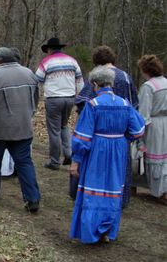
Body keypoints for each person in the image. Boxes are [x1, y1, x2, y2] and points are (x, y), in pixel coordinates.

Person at [69, 66, 144, 244]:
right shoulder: (125, 104)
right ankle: (106, 231)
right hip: (118, 150)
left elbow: (83, 137)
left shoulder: (94, 104)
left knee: (94, 188)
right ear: (110, 83)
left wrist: (76, 161)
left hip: (97, 150)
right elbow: (139, 130)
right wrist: (121, 137)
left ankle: (91, 231)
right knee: (112, 188)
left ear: (95, 84)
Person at [74, 46, 139, 208]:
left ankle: (94, 201)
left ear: (96, 61)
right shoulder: (125, 76)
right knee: (119, 168)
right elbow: (134, 105)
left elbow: (84, 104)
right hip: (121, 135)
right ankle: (120, 199)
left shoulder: (97, 76)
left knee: (96, 170)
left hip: (98, 134)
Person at [0, 47, 41, 212]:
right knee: (24, 162)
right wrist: (29, 114)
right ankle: (32, 198)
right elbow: (36, 98)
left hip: (0, 129)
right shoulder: (29, 73)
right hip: (23, 126)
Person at [36, 37, 84, 170]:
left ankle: (54, 160)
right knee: (63, 125)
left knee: (54, 130)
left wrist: (37, 96)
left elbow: (37, 80)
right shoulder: (72, 61)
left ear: (50, 50)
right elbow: (80, 82)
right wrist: (79, 99)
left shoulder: (46, 61)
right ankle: (68, 153)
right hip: (70, 98)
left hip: (54, 99)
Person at [137, 55, 167, 204]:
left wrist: (139, 132)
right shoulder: (166, 82)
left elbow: (144, 113)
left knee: (155, 156)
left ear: (146, 70)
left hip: (154, 126)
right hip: (165, 123)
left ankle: (159, 191)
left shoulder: (148, 87)